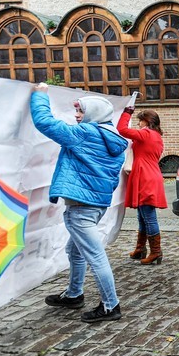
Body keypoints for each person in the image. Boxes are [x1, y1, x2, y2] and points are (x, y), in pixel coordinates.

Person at [30, 85, 128, 323]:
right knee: (74, 250)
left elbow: (45, 123)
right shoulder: (115, 141)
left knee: (95, 256)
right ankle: (74, 294)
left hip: (81, 207)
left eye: (81, 112)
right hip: (96, 204)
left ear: (93, 114)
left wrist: (39, 95)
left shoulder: (84, 134)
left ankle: (110, 306)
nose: (76, 116)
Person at [117, 108, 167, 265]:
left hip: (145, 177)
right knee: (142, 215)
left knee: (148, 216)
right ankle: (141, 249)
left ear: (147, 121)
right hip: (150, 174)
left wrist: (127, 112)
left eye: (140, 120)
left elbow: (122, 129)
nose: (138, 124)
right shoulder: (157, 136)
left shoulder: (146, 134)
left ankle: (156, 252)